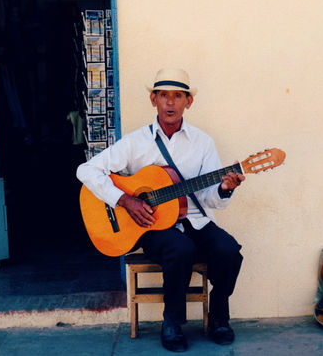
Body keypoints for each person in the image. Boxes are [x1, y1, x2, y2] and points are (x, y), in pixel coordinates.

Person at [77, 70, 245, 352]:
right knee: (180, 249)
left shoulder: (202, 142)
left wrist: (226, 188)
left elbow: (210, 199)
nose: (170, 102)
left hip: (196, 220)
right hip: (152, 225)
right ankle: (172, 322)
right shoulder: (135, 142)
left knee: (229, 250)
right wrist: (124, 200)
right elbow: (86, 170)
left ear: (188, 102)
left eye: (178, 96)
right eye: (164, 95)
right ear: (153, 99)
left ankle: (219, 316)